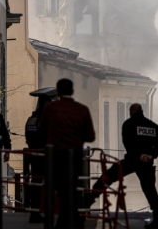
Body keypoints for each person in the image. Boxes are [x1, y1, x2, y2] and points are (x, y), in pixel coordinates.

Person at [86, 103, 158, 229]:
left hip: (132, 160)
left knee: (109, 176)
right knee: (150, 190)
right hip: (147, 162)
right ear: (142, 111)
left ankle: (89, 199)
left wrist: (138, 155)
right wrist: (151, 156)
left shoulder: (128, 124)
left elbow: (127, 143)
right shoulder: (153, 126)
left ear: (131, 111)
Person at [40, 79, 95, 229]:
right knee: (70, 188)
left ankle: (66, 223)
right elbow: (90, 136)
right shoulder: (82, 109)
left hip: (55, 155)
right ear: (72, 91)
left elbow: (42, 128)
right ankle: (73, 221)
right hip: (75, 155)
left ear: (57, 92)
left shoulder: (50, 108)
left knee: (61, 190)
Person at [25, 87, 57, 224]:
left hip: (34, 156)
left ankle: (35, 212)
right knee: (58, 184)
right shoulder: (50, 120)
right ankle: (56, 212)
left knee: (36, 184)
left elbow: (29, 137)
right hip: (50, 157)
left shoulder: (31, 119)